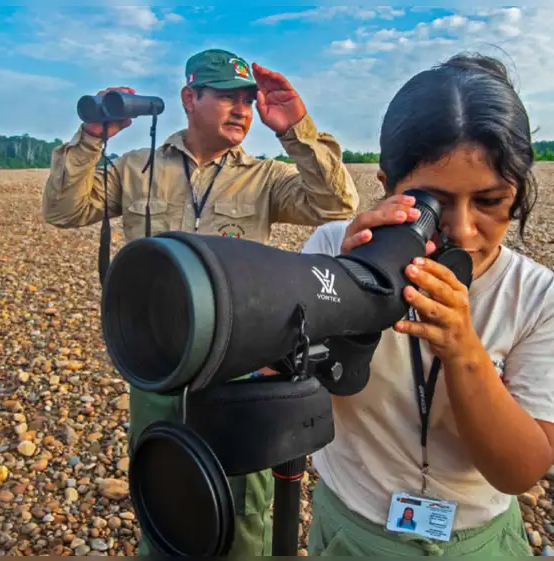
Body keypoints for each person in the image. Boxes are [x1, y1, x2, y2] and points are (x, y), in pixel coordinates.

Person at [42, 48, 359, 557]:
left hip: (239, 364)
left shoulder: (265, 176)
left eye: (248, 102)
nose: (242, 111)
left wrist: (295, 127)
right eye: (228, 98)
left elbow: (338, 205)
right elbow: (62, 209)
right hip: (160, 361)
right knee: (164, 485)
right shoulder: (136, 167)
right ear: (190, 98)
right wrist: (92, 139)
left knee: (245, 509)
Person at [299, 52, 554, 556]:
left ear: (518, 193)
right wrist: (344, 285)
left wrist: (464, 348)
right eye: (434, 204)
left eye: (491, 202)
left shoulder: (537, 295)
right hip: (354, 523)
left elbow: (520, 470)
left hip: (476, 536)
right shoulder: (332, 248)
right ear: (386, 186)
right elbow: (291, 395)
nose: (465, 231)